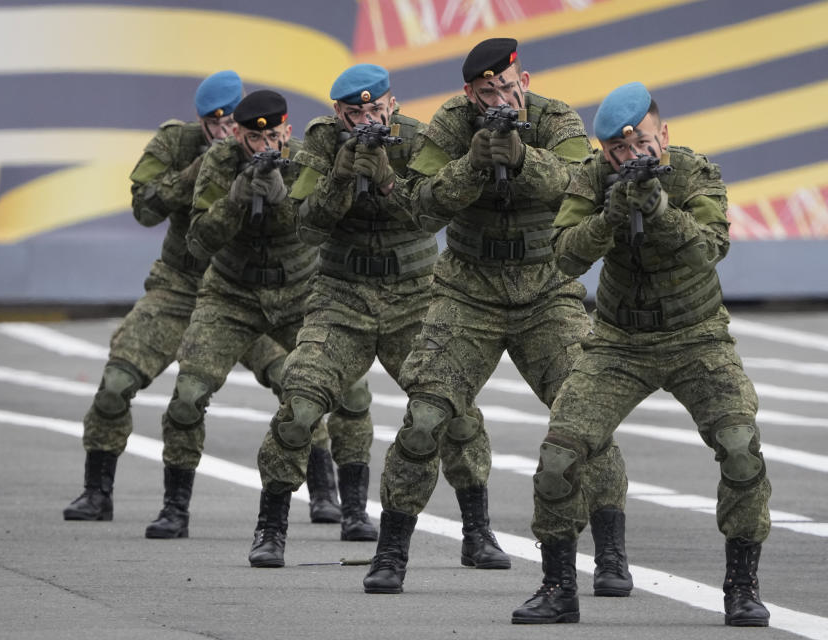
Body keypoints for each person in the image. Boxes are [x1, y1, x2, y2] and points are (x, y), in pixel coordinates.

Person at [363, 38, 628, 595]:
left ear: (523, 80)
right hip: (468, 292)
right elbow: (420, 204)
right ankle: (390, 553)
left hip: (546, 287)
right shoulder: (453, 123)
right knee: (426, 419)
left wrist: (522, 160)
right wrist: (473, 163)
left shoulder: (556, 118)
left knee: (585, 417)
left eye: (508, 87)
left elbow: (581, 183)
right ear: (470, 93)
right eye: (487, 92)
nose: (500, 97)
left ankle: (610, 555)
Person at [510, 82, 771, 626]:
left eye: (643, 144)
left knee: (741, 449)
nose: (633, 157)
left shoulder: (695, 175)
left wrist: (659, 208)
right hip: (618, 342)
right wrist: (609, 218)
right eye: (620, 151)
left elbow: (709, 251)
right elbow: (562, 256)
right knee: (558, 456)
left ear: (664, 136)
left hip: (695, 335)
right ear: (605, 152)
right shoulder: (593, 176)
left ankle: (742, 588)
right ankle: (558, 587)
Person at [249, 64, 504, 569]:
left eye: (374, 108)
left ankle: (478, 531)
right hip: (342, 295)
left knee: (453, 412)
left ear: (392, 104)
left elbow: (431, 213)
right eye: (354, 112)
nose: (366, 118)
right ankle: (270, 527)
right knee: (300, 404)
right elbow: (307, 227)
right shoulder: (322, 144)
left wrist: (386, 176)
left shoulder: (419, 142)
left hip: (415, 295)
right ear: (337, 112)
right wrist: (340, 178)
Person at [62, 71, 301, 524]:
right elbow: (145, 208)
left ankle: (329, 492)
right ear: (201, 123)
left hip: (240, 291)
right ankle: (98, 491)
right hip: (180, 283)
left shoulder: (273, 151)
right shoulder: (176, 144)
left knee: (298, 381)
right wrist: (197, 169)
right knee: (117, 381)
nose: (226, 134)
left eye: (234, 124)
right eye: (215, 125)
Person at [142, 89, 374, 541]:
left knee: (351, 393)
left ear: (287, 131)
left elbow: (318, 224)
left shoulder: (306, 157)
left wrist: (283, 198)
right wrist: (236, 198)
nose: (263, 147)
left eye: (272, 138)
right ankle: (175, 507)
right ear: (240, 136)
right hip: (233, 292)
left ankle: (354, 510)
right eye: (252, 139)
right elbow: (199, 241)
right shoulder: (221, 161)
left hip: (302, 290)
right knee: (189, 393)